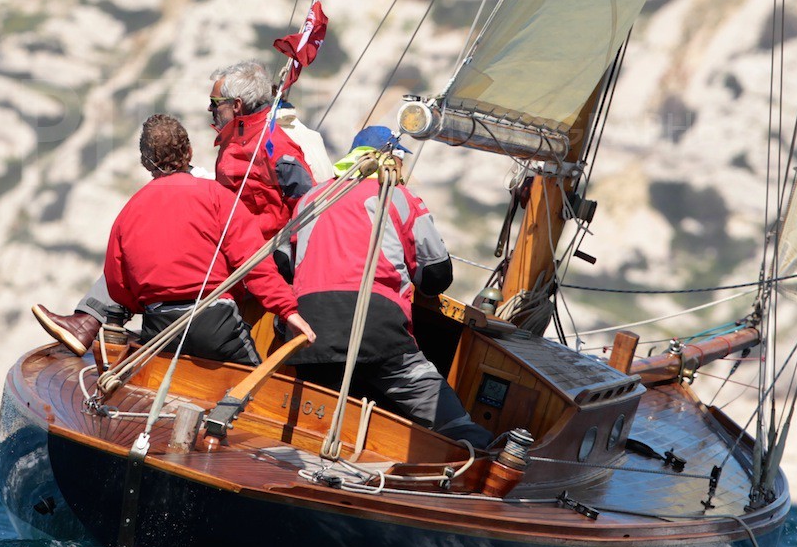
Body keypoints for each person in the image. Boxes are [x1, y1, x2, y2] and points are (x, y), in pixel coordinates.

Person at [32, 114, 314, 362]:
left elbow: (117, 284)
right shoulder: (217, 196)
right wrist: (288, 310)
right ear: (189, 151)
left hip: (159, 328)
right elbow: (252, 262)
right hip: (215, 323)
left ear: (145, 162)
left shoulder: (130, 210)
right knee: (253, 396)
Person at [285, 126, 491, 446]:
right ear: (392, 161)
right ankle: (483, 453)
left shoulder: (310, 197)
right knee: (431, 399)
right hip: (374, 323)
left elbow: (283, 264)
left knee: (318, 414)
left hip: (307, 326)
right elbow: (436, 275)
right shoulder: (398, 195)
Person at [209, 60, 314, 241]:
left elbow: (308, 205)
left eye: (215, 102)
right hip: (235, 247)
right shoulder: (231, 141)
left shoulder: (276, 147)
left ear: (236, 105)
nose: (210, 108)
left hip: (267, 253)